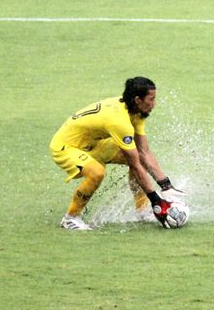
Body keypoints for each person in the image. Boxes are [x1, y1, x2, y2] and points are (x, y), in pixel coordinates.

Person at [49, 76, 185, 230]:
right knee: (97, 173)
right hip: (66, 147)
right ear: (137, 100)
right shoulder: (119, 121)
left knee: (138, 157)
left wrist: (166, 186)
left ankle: (142, 210)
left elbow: (144, 152)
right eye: (151, 99)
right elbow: (134, 163)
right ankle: (70, 218)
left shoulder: (135, 112)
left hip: (94, 144)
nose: (154, 104)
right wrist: (156, 200)